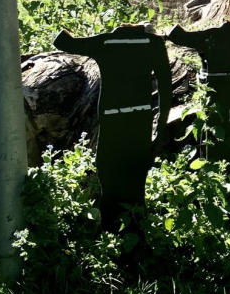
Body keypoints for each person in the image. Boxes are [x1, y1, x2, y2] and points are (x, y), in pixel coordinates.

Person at [54, 24, 173, 231]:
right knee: (136, 172)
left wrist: (65, 32)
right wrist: (160, 127)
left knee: (108, 169)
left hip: (112, 118)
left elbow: (62, 42)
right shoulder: (153, 44)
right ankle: (136, 223)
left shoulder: (105, 42)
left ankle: (110, 226)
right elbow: (165, 87)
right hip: (141, 117)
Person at [166, 20, 230, 189]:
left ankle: (217, 183)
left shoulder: (210, 36)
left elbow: (176, 35)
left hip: (216, 98)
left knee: (214, 137)